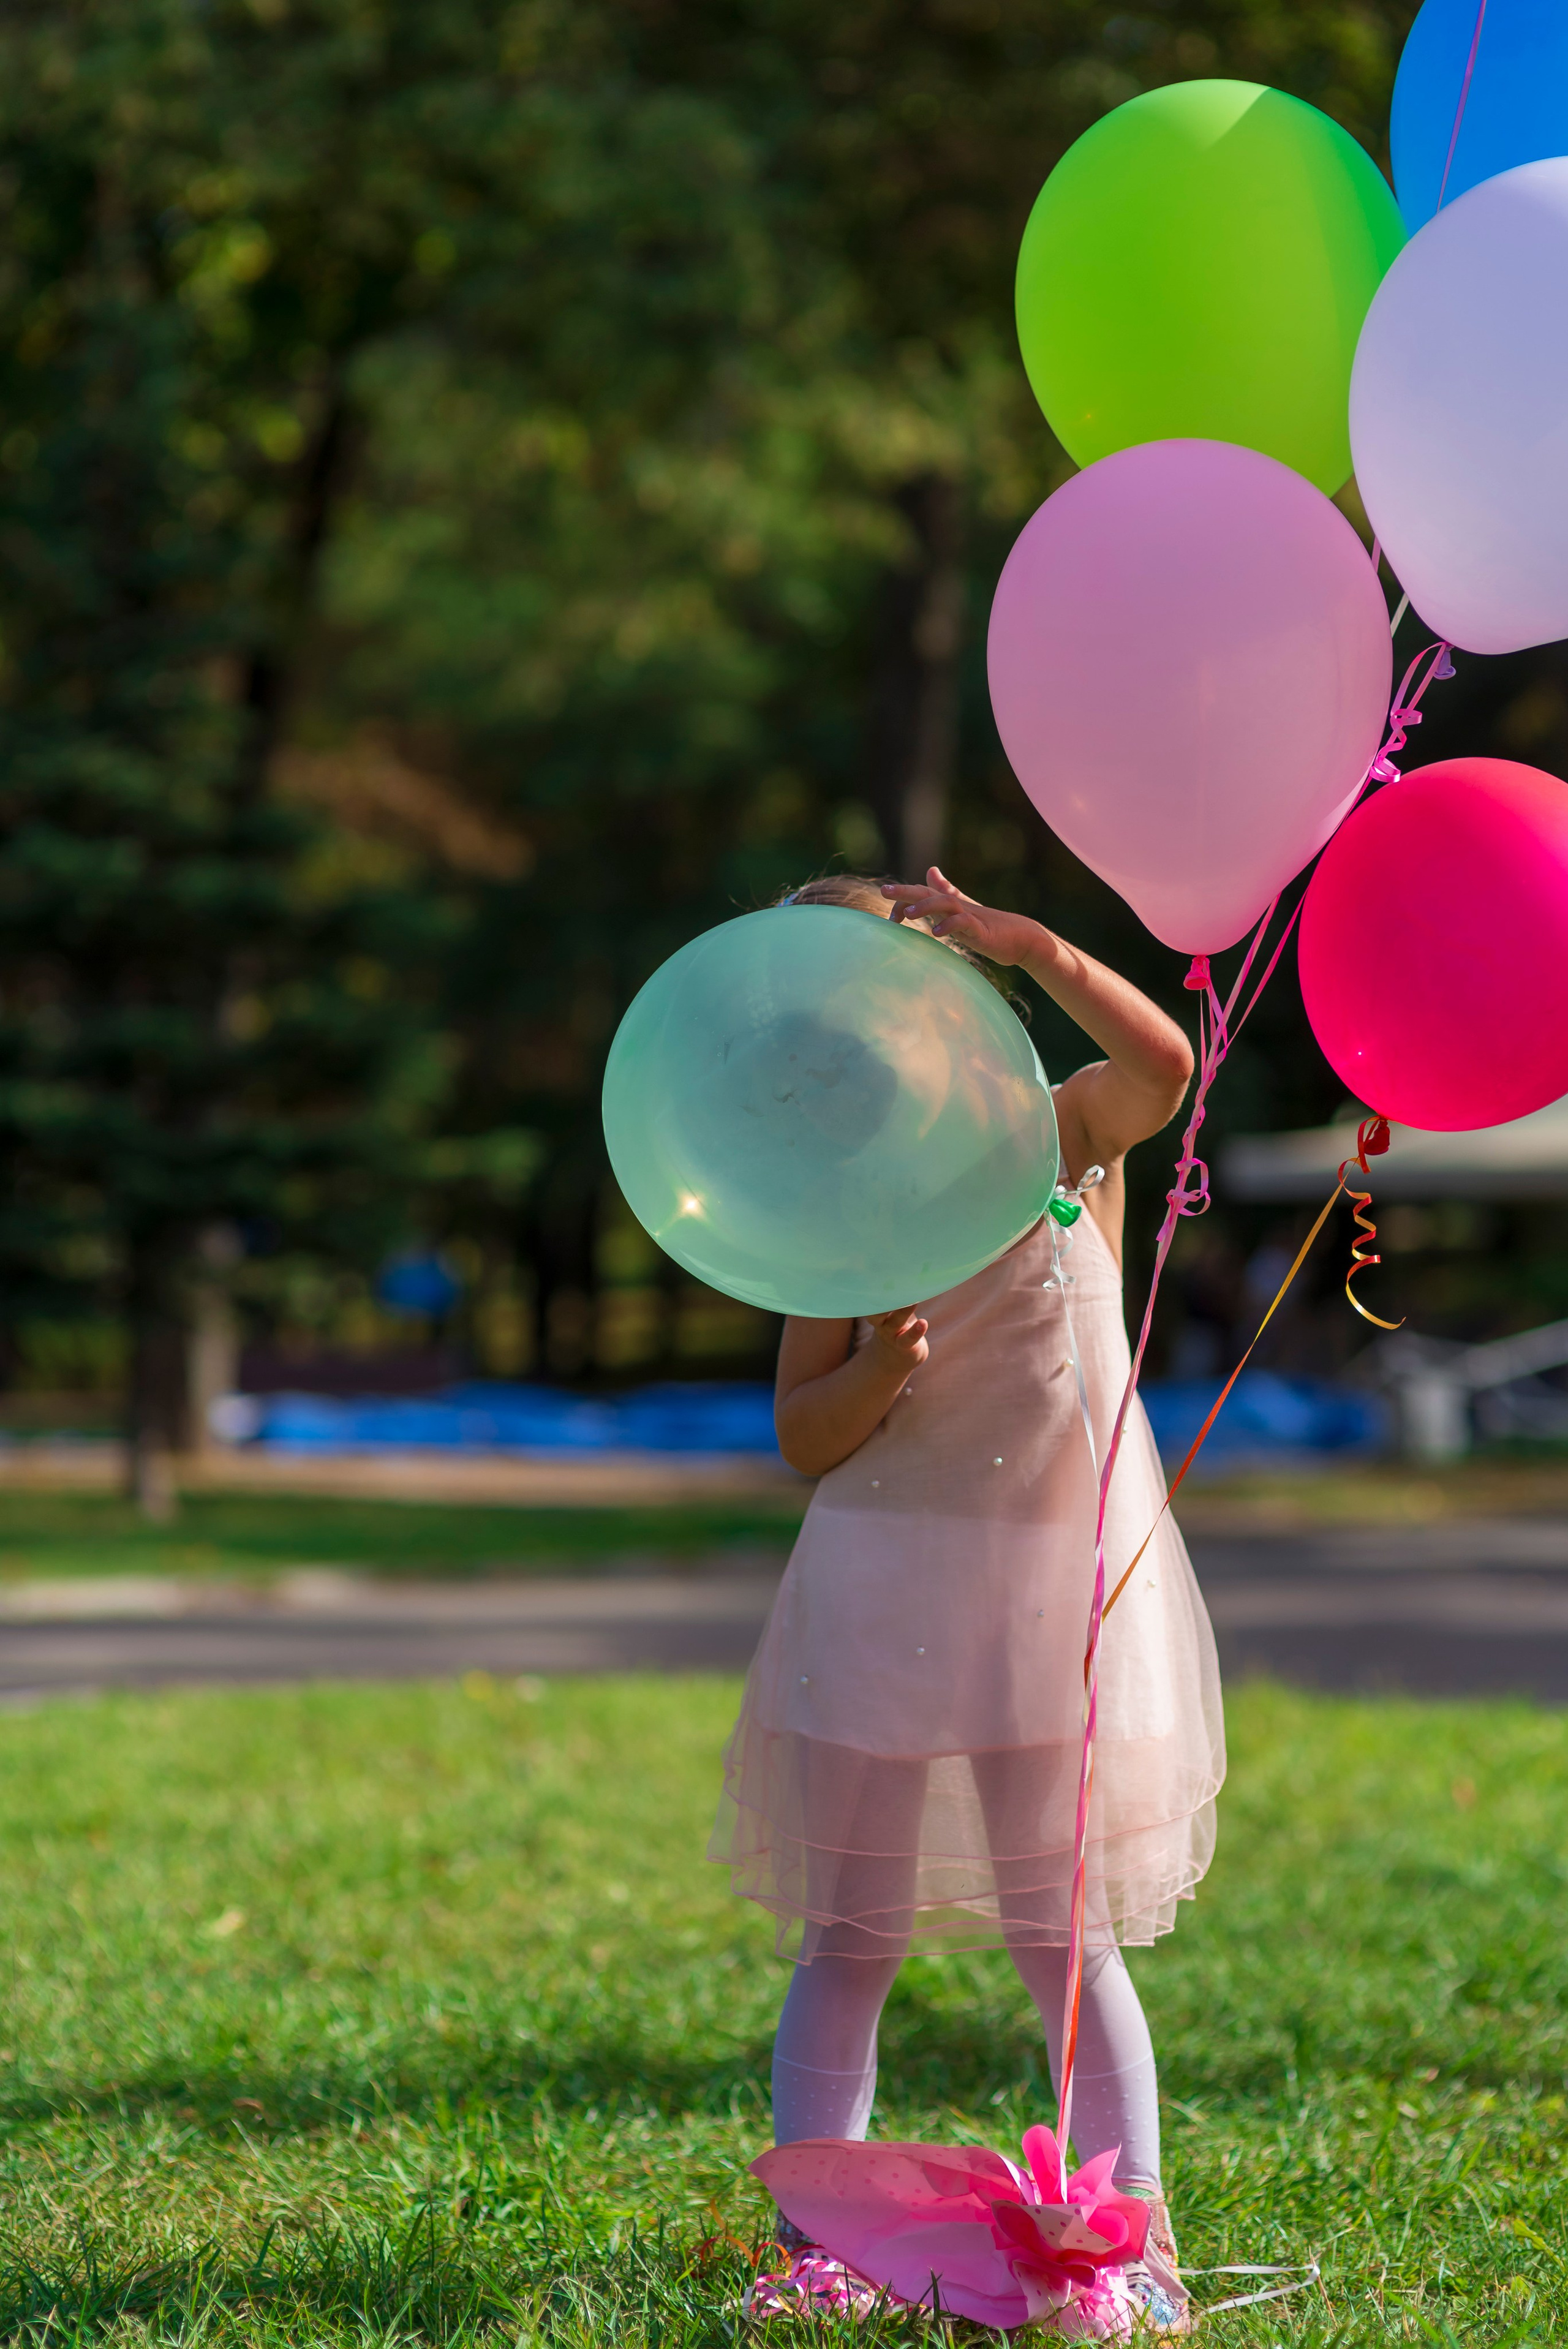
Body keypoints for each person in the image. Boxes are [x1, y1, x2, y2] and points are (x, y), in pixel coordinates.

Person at [710, 868, 1225, 2334]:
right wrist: (879, 1370)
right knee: (851, 1927)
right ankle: (823, 2237)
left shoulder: (1062, 1127)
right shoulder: (837, 1200)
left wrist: (1028, 937)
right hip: (884, 1573)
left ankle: (1129, 2245)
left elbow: (1166, 1066)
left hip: (1044, 1580)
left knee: (1059, 1936)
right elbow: (804, 1429)